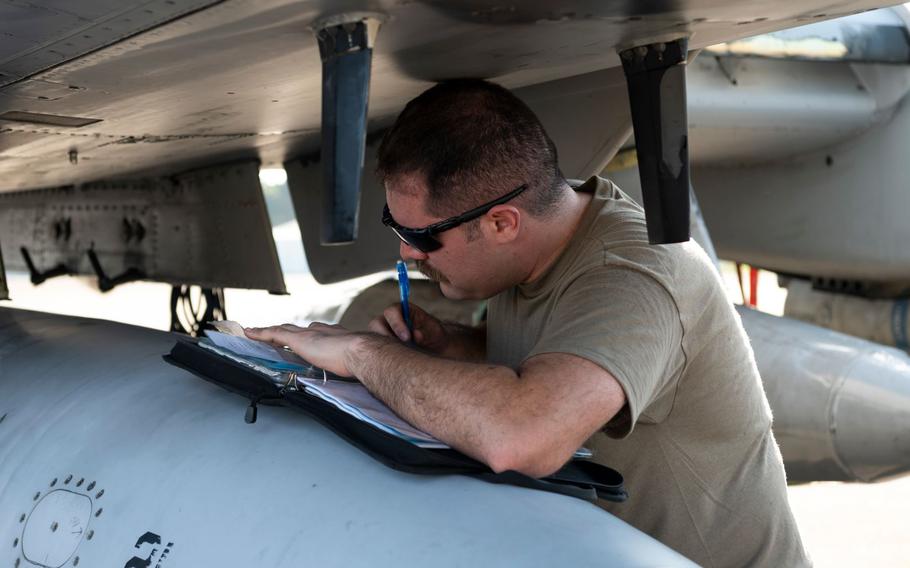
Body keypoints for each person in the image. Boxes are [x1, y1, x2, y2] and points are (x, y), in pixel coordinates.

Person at [246, 79, 809, 567]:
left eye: (421, 236)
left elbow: (523, 435)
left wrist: (361, 356)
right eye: (395, 223)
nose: (406, 255)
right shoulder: (535, 255)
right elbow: (550, 358)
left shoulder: (633, 277)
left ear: (501, 223)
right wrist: (455, 346)